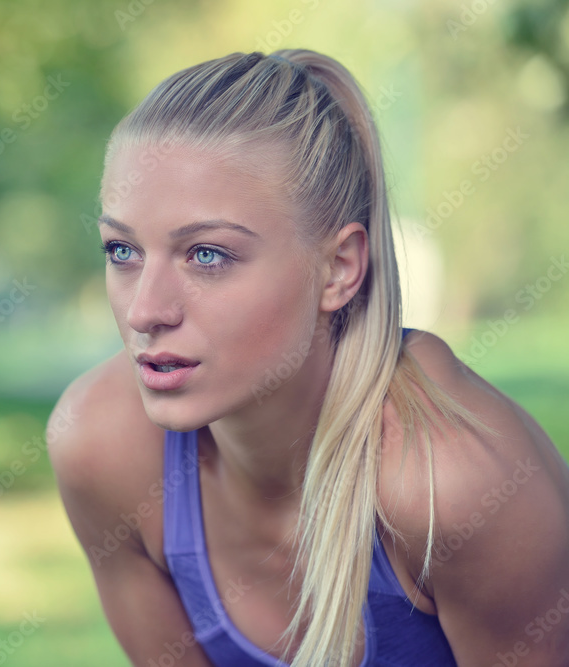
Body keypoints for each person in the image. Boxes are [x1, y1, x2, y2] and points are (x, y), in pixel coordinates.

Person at [46, 49, 569, 667]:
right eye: (123, 251)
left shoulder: (452, 485)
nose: (144, 311)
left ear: (338, 268)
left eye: (207, 255)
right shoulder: (101, 448)